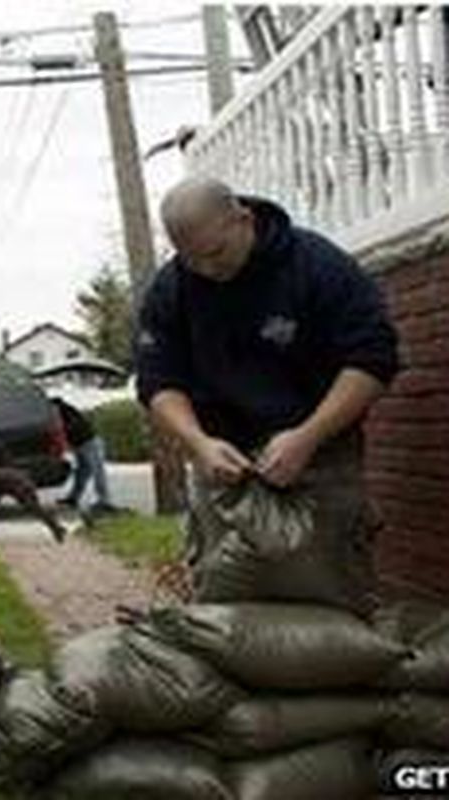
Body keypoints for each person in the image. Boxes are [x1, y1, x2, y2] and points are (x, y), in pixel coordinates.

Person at [135, 177, 399, 613]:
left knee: (332, 582)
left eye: (216, 253)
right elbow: (158, 381)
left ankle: (342, 649)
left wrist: (308, 436)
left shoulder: (318, 266)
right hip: (222, 462)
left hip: (320, 454)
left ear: (243, 219)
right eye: (191, 259)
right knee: (222, 596)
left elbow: (373, 362)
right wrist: (198, 443)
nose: (206, 270)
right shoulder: (172, 288)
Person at [51, 396, 118, 515]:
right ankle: (73, 498)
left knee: (97, 471)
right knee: (81, 473)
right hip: (80, 445)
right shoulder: (67, 412)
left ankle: (104, 501)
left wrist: (63, 447)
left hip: (89, 443)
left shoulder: (63, 412)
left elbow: (62, 429)